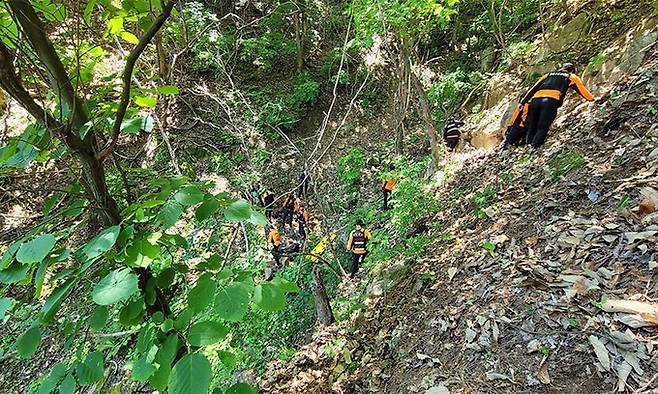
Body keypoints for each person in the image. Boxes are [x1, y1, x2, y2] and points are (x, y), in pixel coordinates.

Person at [520, 63, 594, 148]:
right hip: (550, 101)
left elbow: (533, 88)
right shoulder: (571, 76)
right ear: (572, 70)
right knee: (543, 125)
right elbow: (582, 90)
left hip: (535, 100)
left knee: (533, 124)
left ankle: (528, 144)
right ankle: (534, 146)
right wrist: (592, 99)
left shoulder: (548, 75)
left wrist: (523, 102)